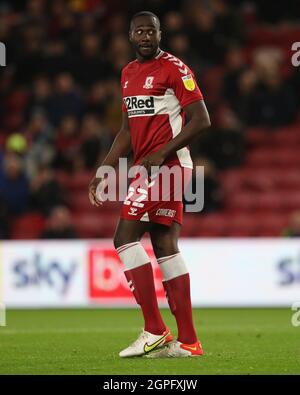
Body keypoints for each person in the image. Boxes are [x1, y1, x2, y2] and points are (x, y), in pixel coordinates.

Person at [88, 11, 211, 358]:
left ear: (160, 34)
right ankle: (188, 342)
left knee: (124, 238)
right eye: (139, 31)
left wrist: (161, 153)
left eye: (150, 30)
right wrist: (104, 169)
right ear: (130, 36)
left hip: (168, 166)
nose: (145, 36)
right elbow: (127, 131)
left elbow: (202, 119)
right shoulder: (127, 74)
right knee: (165, 245)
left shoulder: (174, 68)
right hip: (149, 169)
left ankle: (154, 329)